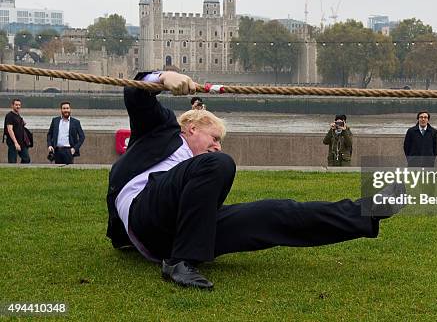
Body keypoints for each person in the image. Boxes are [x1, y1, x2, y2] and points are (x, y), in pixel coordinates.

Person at [106, 71, 403, 290]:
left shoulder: (199, 170)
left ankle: (367, 211)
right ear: (192, 127)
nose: (218, 144)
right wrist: (163, 76)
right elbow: (135, 93)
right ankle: (181, 262)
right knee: (218, 163)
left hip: (180, 232)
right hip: (144, 215)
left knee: (277, 212)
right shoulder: (163, 130)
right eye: (215, 137)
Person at [2, 98, 31, 164]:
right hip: (13, 142)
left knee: (26, 159)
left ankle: (21, 171)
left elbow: (18, 126)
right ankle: (12, 172)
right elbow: (10, 130)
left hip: (21, 142)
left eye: (19, 105)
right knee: (12, 161)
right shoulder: (9, 115)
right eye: (16, 105)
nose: (18, 106)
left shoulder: (18, 115)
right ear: (12, 106)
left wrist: (22, 123)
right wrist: (15, 143)